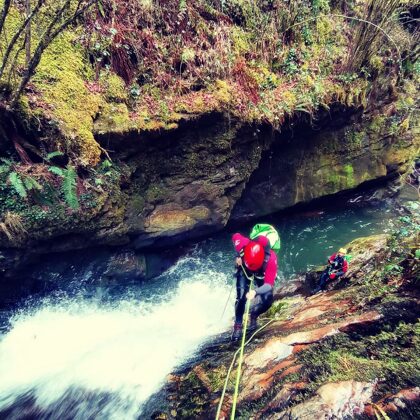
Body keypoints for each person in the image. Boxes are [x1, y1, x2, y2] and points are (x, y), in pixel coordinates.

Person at [231, 232, 278, 341]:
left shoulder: (271, 260)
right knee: (241, 297)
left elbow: (268, 285)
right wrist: (238, 256)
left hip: (261, 274)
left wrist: (255, 292)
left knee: (267, 300)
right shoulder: (243, 244)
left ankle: (254, 314)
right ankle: (238, 324)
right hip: (244, 269)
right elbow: (235, 236)